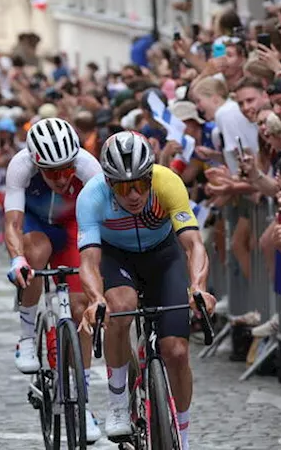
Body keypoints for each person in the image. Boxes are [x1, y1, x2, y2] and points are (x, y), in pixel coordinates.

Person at [78, 132, 214, 446]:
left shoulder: (168, 182)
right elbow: (88, 260)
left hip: (162, 257)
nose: (135, 194)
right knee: (120, 307)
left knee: (176, 352)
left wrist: (198, 287)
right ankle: (117, 405)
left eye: (141, 183)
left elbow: (193, 244)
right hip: (117, 258)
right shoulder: (92, 196)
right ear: (110, 183)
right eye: (125, 187)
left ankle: (183, 433)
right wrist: (96, 299)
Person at [2, 117, 102, 441]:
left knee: (80, 307)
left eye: (66, 169)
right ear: (36, 163)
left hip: (75, 226)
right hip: (37, 227)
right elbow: (13, 224)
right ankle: (27, 336)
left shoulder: (88, 166)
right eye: (52, 172)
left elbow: (104, 221)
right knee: (35, 252)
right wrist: (17, 260)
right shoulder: (20, 166)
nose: (61, 179)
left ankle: (81, 398)